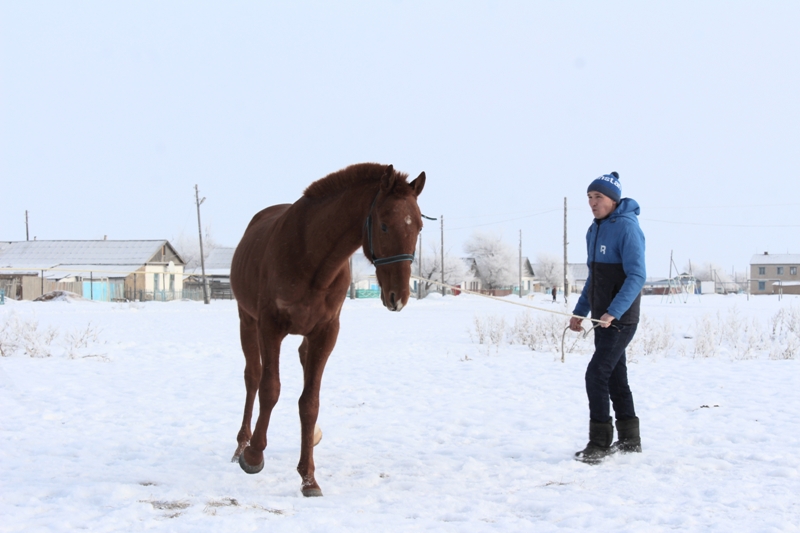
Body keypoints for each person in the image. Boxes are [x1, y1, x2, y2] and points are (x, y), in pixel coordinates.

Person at [569, 171, 646, 464]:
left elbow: (637, 275)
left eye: (598, 197)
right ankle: (629, 439)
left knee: (596, 374)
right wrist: (580, 312)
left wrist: (614, 312)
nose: (592, 202)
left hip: (620, 319)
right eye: (589, 197)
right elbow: (595, 278)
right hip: (601, 319)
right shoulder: (595, 229)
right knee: (615, 376)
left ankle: (599, 442)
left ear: (613, 199)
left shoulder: (627, 228)